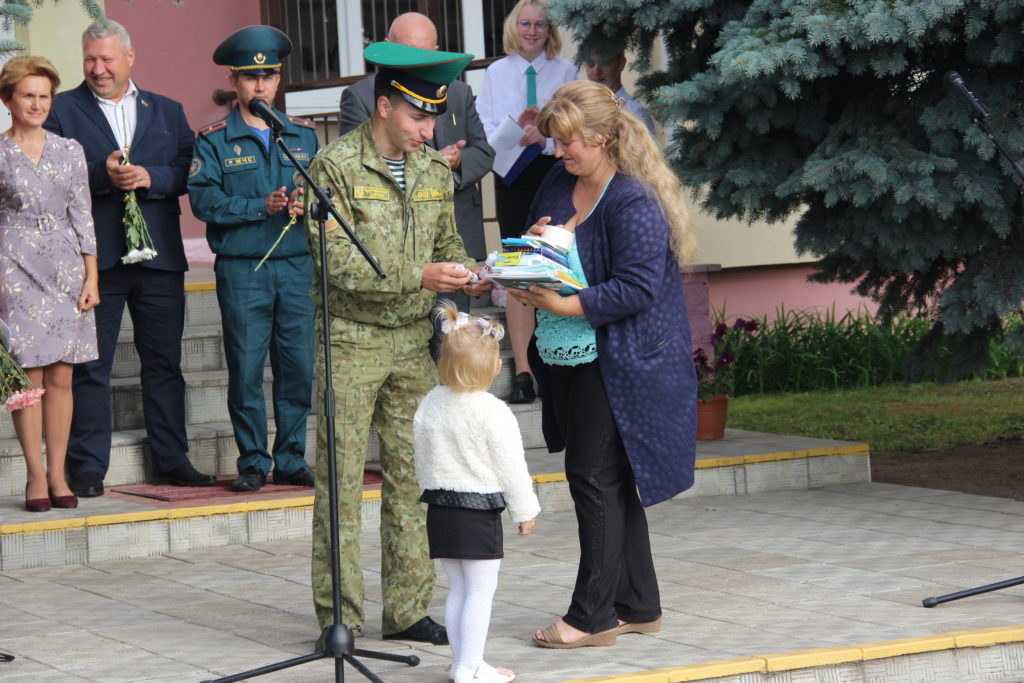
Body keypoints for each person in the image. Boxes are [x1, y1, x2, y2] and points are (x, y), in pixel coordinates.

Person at [305, 41, 491, 644]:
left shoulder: (435, 170)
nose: (428, 130)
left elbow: (448, 248)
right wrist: (421, 275)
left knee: (414, 478)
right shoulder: (334, 167)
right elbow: (335, 261)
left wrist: (478, 272)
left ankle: (408, 611)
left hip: (414, 342)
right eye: (417, 117)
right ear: (383, 106)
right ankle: (339, 617)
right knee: (340, 484)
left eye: (433, 118)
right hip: (350, 341)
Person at [505, 81, 698, 648]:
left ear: (604, 138)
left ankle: (592, 617)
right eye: (554, 141)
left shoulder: (633, 200)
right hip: (567, 352)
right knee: (607, 480)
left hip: (622, 359)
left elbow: (637, 288)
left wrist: (563, 303)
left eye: (568, 142)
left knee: (592, 478)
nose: (558, 152)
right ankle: (639, 605)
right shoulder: (557, 182)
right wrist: (532, 250)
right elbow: (549, 250)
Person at [44, 20, 214, 497]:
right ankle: (87, 467)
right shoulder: (62, 110)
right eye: (90, 60)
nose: (98, 69)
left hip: (159, 257)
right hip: (94, 261)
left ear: (130, 57)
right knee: (90, 367)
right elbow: (52, 172)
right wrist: (102, 174)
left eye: (107, 59)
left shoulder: (168, 109)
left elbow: (189, 170)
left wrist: (151, 178)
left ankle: (172, 460)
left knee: (164, 363)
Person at [188, 25, 318, 492]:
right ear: (234, 81)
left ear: (278, 80)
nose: (259, 86)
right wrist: (258, 207)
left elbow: (327, 194)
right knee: (245, 368)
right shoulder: (215, 140)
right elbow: (203, 201)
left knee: (297, 366)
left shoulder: (301, 135)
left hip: (297, 264)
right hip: (244, 268)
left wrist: (307, 205)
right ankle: (252, 461)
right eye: (249, 77)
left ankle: (291, 458)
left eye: (268, 76)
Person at [339, 11, 495, 361]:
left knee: (453, 352)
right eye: (407, 53)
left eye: (424, 54)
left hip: (450, 239)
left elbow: (484, 152)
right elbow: (357, 168)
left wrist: (454, 164)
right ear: (388, 48)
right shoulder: (361, 96)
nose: (416, 63)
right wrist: (427, 164)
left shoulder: (457, 92)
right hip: (389, 259)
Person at [414, 301, 540, 683]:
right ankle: (470, 668)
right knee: (480, 592)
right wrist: (525, 510)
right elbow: (511, 467)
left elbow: (421, 454)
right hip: (477, 511)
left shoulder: (430, 403)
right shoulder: (493, 411)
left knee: (457, 589)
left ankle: (462, 662)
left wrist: (428, 489)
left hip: (440, 507)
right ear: (497, 367)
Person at [0, 56, 98, 512]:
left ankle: (58, 473)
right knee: (28, 375)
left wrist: (91, 275)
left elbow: (83, 215)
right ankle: (35, 474)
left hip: (65, 270)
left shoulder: (70, 150)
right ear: (8, 100)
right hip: (13, 269)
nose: (37, 104)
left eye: (44, 96)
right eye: (28, 96)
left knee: (62, 374)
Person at [475, 0, 577, 404]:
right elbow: (484, 131)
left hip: (555, 172)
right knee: (519, 268)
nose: (532, 31)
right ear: (513, 27)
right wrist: (515, 130)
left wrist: (545, 137)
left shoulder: (565, 71)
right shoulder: (497, 73)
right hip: (512, 177)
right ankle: (522, 371)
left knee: (554, 263)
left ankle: (557, 361)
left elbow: (576, 127)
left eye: (540, 24)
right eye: (525, 23)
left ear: (550, 30)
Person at [584, 53, 656, 136]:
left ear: (621, 63)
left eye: (604, 63)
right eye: (590, 63)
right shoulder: (580, 109)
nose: (596, 71)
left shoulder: (635, 112)